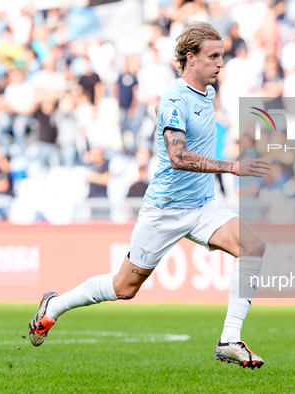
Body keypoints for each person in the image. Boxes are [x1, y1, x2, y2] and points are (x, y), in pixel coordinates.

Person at [28, 22, 271, 369]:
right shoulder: (174, 99)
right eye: (213, 56)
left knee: (253, 247)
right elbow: (177, 157)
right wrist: (232, 167)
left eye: (222, 55)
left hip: (202, 206)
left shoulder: (208, 93)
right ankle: (54, 306)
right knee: (124, 287)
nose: (221, 63)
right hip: (165, 209)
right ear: (190, 58)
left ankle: (230, 339)